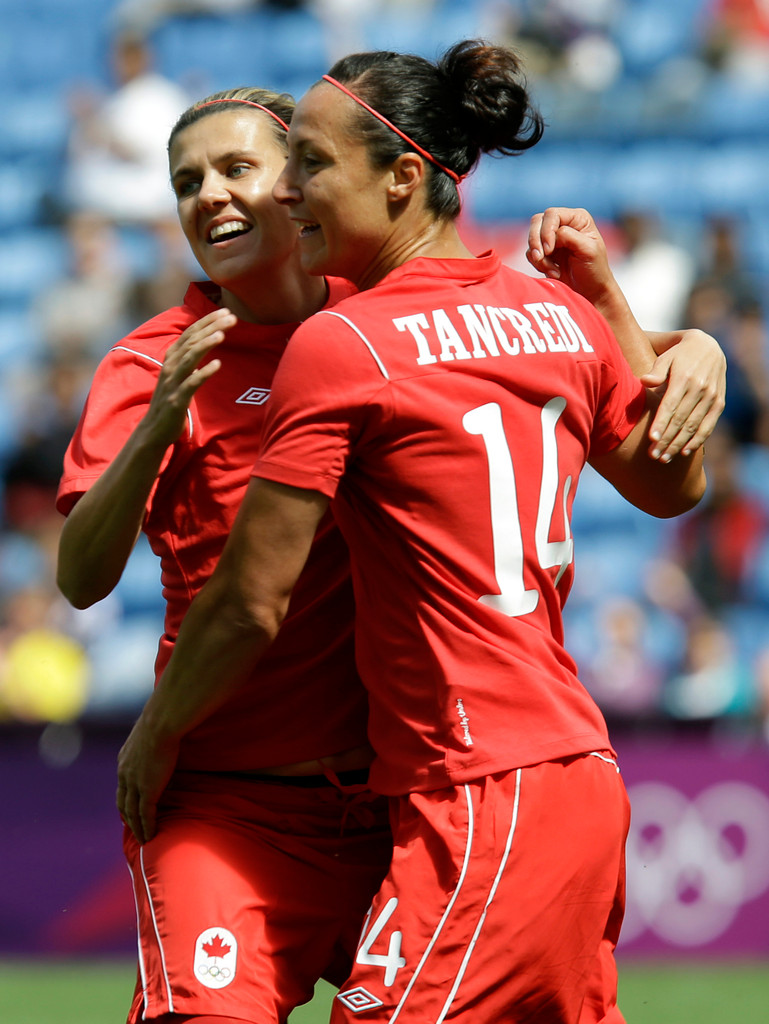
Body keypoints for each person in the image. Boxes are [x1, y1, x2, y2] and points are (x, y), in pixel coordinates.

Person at [113, 43, 719, 1023]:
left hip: (478, 785)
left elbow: (252, 600)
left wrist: (157, 730)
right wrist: (653, 327)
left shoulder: (343, 343)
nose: (287, 191)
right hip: (576, 773)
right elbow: (667, 482)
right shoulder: (551, 309)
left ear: (402, 177)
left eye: (309, 163)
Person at [56, 87, 393, 1024]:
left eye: (236, 168)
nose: (208, 195)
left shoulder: (387, 325)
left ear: (303, 184)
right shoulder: (154, 361)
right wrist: (159, 423)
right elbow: (81, 579)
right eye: (186, 182)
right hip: (224, 807)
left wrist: (682, 345)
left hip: (400, 809)